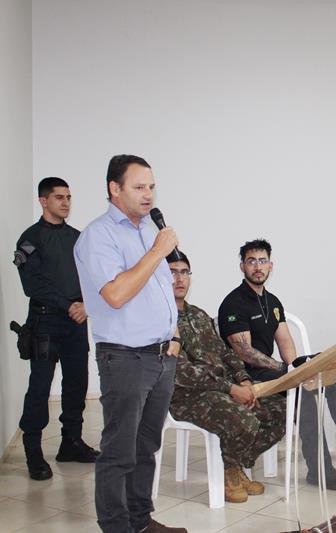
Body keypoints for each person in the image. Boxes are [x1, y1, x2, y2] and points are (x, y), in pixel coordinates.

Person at [74, 155, 186, 533]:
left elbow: (159, 292)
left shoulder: (143, 230)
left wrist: (173, 336)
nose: (148, 194)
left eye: (152, 187)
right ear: (114, 189)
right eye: (139, 187)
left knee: (146, 449)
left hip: (159, 356)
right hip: (124, 358)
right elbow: (117, 294)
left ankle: (140, 521)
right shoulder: (98, 235)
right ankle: (117, 527)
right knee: (119, 453)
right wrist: (158, 250)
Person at [218, 239, 336, 492]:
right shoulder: (233, 304)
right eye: (251, 261)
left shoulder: (272, 301)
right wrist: (286, 372)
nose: (258, 267)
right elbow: (245, 352)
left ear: (271, 265)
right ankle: (318, 469)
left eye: (262, 261)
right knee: (303, 395)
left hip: (273, 373)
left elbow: (285, 341)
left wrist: (299, 368)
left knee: (331, 379)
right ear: (242, 267)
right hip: (246, 378)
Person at [168, 252, 286, 503]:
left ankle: (233, 465)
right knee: (243, 418)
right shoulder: (159, 318)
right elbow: (182, 372)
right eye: (172, 272)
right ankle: (232, 471)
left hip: (221, 388)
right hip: (186, 395)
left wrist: (243, 380)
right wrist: (232, 389)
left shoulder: (198, 315)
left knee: (278, 409)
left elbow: (226, 353)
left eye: (184, 272)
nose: (179, 279)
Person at [13, 177, 99, 481]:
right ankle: (33, 452)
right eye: (59, 197)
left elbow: (94, 277)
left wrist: (86, 304)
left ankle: (71, 443)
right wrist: (69, 305)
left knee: (77, 383)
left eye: (68, 197)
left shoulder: (78, 238)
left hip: (77, 321)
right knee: (39, 388)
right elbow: (32, 285)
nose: (65, 203)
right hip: (46, 320)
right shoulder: (30, 238)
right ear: (43, 201)